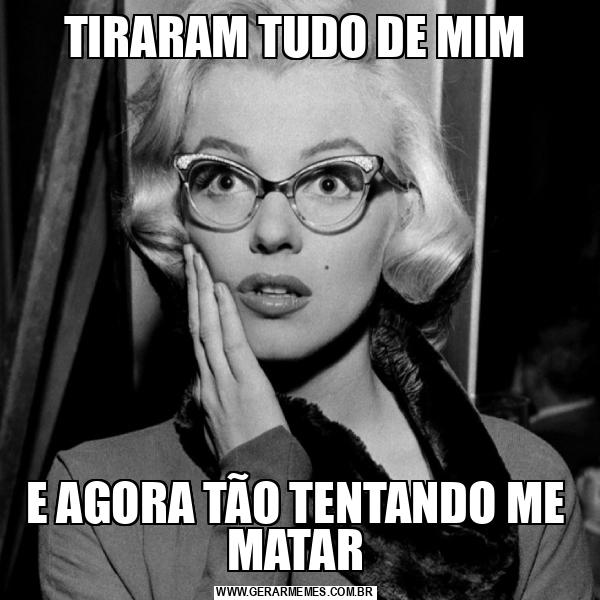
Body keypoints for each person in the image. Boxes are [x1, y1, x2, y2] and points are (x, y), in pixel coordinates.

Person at [39, 1, 593, 598]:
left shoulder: (527, 487)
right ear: (179, 216)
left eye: (330, 181)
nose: (273, 231)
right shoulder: (97, 504)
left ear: (405, 214)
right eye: (224, 179)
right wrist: (260, 487)